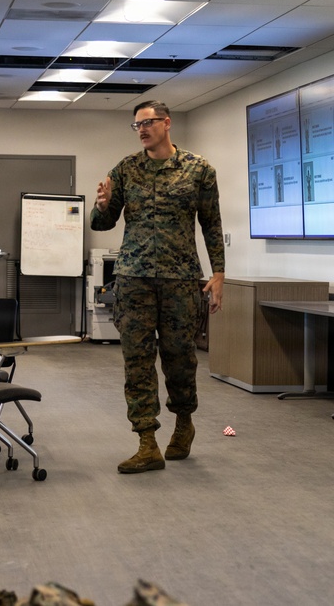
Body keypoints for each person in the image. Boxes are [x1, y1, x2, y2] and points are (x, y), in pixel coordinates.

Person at [91, 100, 226, 475]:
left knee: (180, 358)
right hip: (134, 278)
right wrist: (101, 205)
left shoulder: (199, 169)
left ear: (167, 123)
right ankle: (146, 441)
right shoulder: (126, 169)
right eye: (136, 125)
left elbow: (212, 224)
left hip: (180, 279)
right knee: (137, 361)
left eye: (148, 122)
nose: (142, 129)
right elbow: (101, 224)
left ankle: (184, 422)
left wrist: (218, 274)